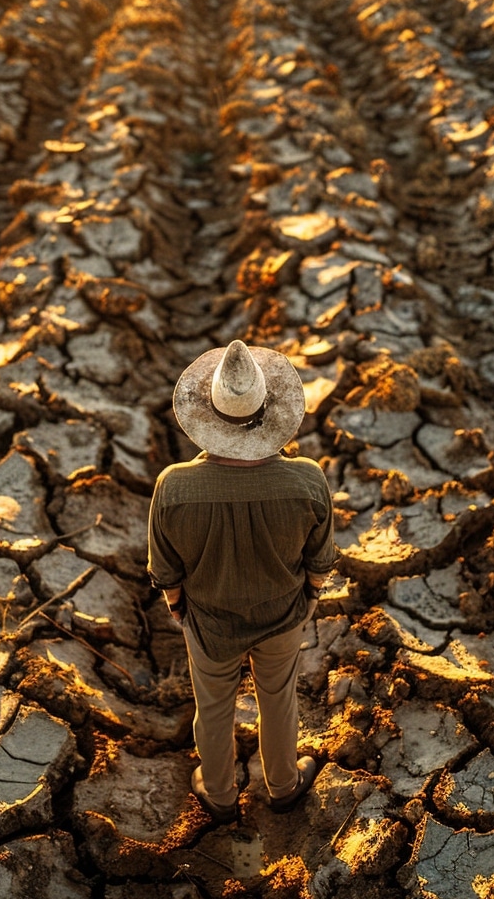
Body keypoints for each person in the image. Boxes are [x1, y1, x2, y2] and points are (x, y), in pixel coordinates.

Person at [147, 340, 335, 823]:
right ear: (269, 412)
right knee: (278, 700)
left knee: (213, 708)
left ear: (207, 415)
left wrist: (179, 608)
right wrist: (310, 598)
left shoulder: (173, 487)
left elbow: (166, 572)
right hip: (283, 617)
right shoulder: (307, 481)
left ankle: (220, 794)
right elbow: (321, 561)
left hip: (209, 622)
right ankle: (284, 786)